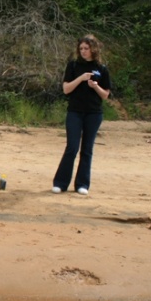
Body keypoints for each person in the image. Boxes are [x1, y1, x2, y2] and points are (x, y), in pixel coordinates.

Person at [51, 34, 111, 196]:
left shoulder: (101, 68)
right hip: (75, 111)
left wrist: (95, 87)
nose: (83, 51)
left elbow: (105, 94)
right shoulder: (73, 66)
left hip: (93, 113)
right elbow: (66, 89)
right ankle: (60, 182)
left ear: (93, 49)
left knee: (87, 149)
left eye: (86, 48)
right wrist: (81, 78)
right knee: (72, 147)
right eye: (81, 49)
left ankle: (82, 184)